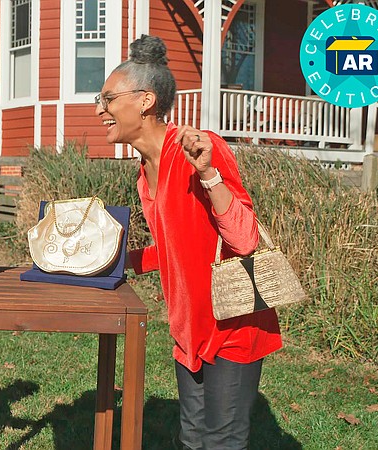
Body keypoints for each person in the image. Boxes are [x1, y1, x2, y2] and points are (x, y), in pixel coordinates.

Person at [95, 35, 282, 449]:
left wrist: (209, 175)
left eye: (107, 98)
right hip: (188, 328)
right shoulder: (145, 173)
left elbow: (245, 239)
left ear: (145, 101)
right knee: (192, 438)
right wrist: (112, 261)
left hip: (232, 323)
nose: (100, 109)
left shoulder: (199, 149)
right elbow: (174, 248)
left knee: (221, 441)